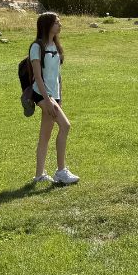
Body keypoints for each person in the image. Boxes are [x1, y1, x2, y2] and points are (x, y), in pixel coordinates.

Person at [30, 12, 79, 185]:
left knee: (45, 135)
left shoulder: (55, 46)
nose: (60, 25)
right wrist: (48, 101)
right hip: (42, 94)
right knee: (65, 126)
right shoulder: (36, 47)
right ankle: (60, 171)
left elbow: (57, 75)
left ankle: (39, 175)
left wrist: (59, 98)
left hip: (54, 96)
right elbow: (38, 77)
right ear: (47, 25)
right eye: (57, 22)